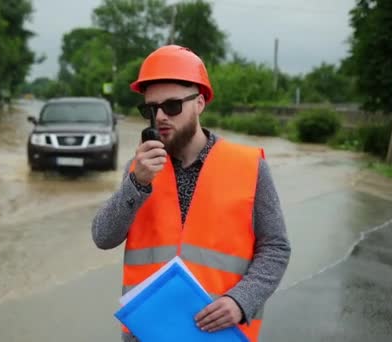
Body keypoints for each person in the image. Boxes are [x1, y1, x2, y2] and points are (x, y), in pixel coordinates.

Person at [91, 45, 291, 342]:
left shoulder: (249, 166)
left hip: (217, 333)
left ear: (199, 102)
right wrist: (137, 183)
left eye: (171, 106)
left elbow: (275, 247)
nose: (160, 117)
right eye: (150, 109)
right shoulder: (140, 169)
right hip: (147, 334)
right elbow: (103, 237)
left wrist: (241, 301)